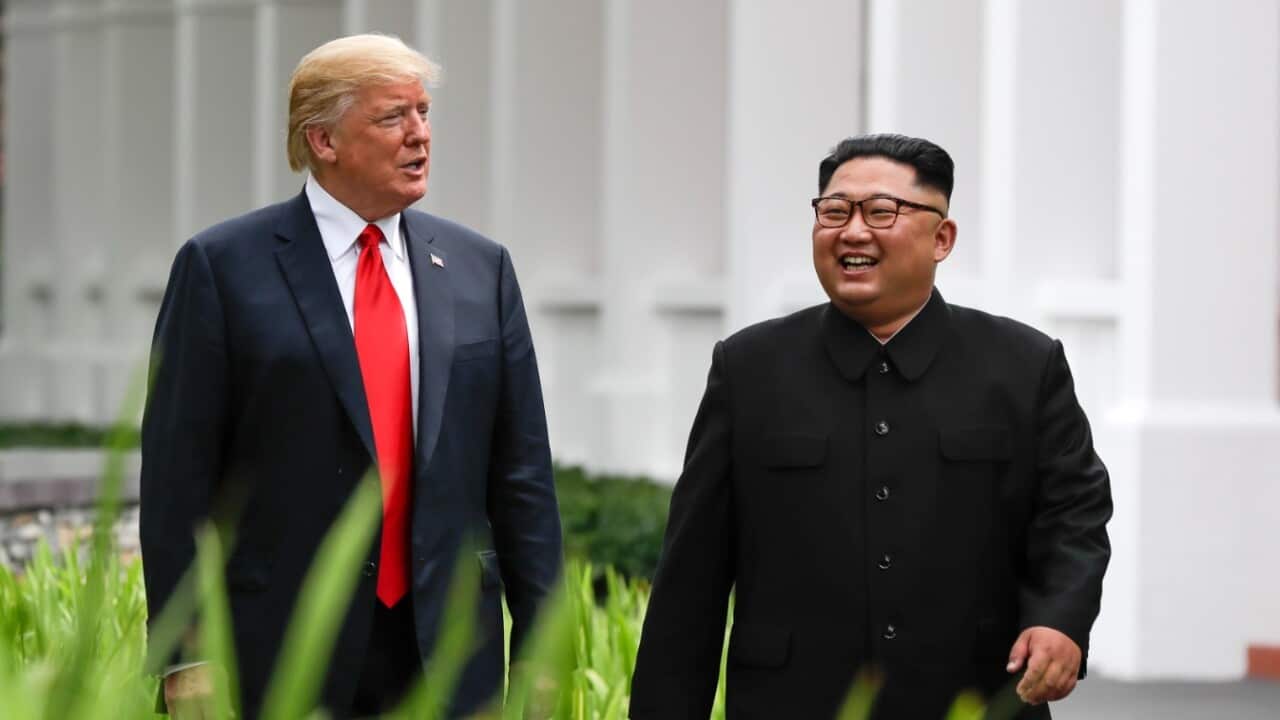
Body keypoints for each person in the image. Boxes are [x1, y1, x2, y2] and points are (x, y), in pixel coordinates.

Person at [140, 34, 562, 719]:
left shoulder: (481, 269)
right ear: (324, 140)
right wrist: (185, 655)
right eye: (393, 117)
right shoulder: (222, 268)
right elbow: (176, 480)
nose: (420, 134)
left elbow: (523, 478)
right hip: (283, 653)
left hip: (449, 656)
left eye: (423, 113)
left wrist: (541, 654)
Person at [629, 134, 1112, 719]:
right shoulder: (749, 369)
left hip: (972, 698)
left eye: (882, 212)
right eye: (834, 212)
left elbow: (1074, 513)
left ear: (942, 238)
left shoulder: (1022, 366)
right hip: (793, 703)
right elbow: (692, 575)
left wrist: (1060, 620)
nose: (853, 232)